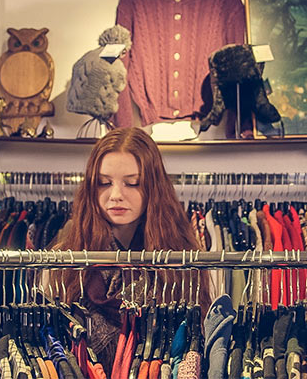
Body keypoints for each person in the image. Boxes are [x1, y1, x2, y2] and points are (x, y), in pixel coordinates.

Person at [48, 127, 208, 375]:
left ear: (153, 187)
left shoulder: (180, 261)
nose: (115, 195)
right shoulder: (68, 260)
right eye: (104, 183)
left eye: (132, 183)